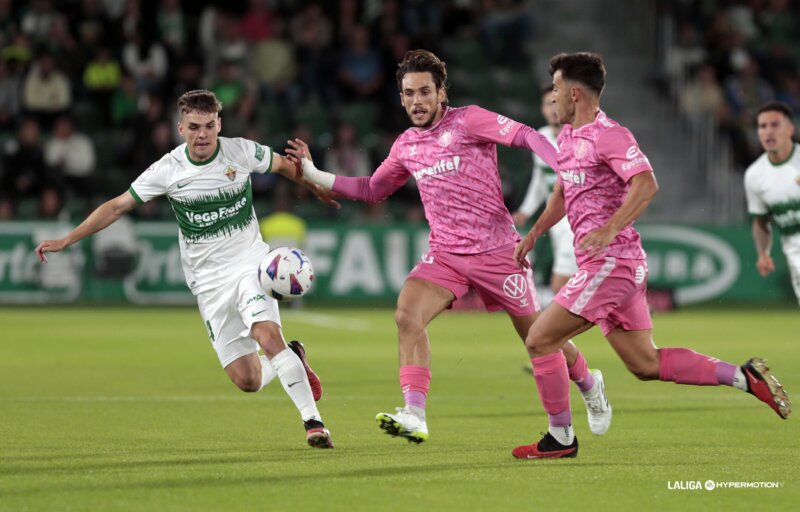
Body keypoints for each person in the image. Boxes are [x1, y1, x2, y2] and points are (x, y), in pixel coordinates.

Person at [287, 49, 612, 444]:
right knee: (407, 315)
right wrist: (312, 172)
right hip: (446, 256)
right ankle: (414, 414)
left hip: (497, 252)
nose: (417, 101)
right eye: (409, 94)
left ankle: (589, 383)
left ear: (442, 93)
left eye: (425, 92)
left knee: (542, 338)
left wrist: (563, 163)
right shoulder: (406, 145)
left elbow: (526, 135)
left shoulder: (469, 120)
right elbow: (373, 188)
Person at [511, 52, 791, 460]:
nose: (552, 97)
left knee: (539, 338)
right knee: (645, 364)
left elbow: (646, 183)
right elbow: (562, 192)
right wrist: (535, 232)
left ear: (574, 92)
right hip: (611, 266)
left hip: (612, 264)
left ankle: (561, 438)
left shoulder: (611, 134)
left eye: (555, 88)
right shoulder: (569, 137)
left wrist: (609, 229)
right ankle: (743, 377)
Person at [35, 90, 339, 449]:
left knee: (267, 336)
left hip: (249, 265)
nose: (202, 135)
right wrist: (67, 239)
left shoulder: (240, 151)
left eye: (209, 126)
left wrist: (315, 184)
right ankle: (295, 357)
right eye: (194, 127)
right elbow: (117, 206)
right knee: (248, 380)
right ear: (181, 128)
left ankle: (313, 423)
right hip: (208, 283)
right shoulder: (168, 169)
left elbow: (287, 166)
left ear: (219, 124)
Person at [512, 84, 578, 296]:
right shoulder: (540, 137)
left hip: (577, 219)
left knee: (560, 286)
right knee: (577, 283)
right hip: (555, 219)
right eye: (547, 104)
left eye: (555, 103)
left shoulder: (580, 137)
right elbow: (540, 180)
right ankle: (628, 307)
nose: (552, 109)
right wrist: (526, 210)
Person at [744, 101, 800, 304]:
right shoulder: (755, 175)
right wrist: (763, 253)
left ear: (790, 129)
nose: (768, 131)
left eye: (775, 125)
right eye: (762, 126)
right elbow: (760, 220)